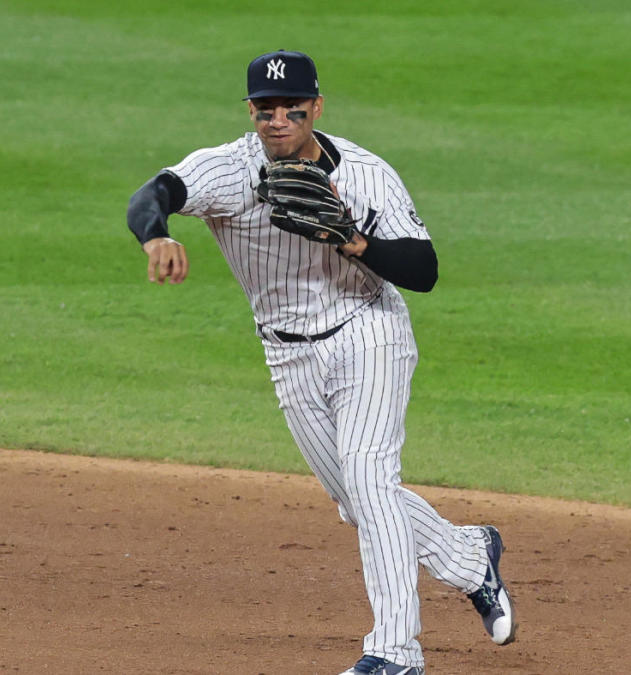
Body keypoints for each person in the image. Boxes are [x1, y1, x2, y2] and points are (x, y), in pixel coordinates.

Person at [125, 50, 517, 675]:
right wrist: (157, 234)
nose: (278, 120)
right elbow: (155, 193)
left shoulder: (366, 173)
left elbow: (425, 271)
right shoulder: (229, 170)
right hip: (286, 355)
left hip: (369, 333)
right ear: (250, 110)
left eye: (293, 109)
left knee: (369, 479)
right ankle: (470, 556)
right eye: (266, 109)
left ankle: (395, 654)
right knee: (358, 500)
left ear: (317, 108)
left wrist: (352, 239)